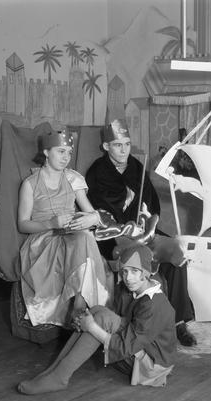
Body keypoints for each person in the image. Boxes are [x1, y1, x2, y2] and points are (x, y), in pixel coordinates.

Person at [85, 119, 197, 346]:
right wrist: (126, 212)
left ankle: (177, 322)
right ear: (106, 147)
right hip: (115, 236)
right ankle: (142, 324)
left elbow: (152, 203)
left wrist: (145, 215)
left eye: (127, 144)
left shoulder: (136, 167)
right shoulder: (97, 172)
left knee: (176, 254)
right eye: (118, 145)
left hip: (144, 230)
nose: (124, 149)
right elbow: (99, 211)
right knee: (141, 257)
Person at [18, 243, 177, 394]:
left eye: (135, 271)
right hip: (135, 352)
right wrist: (85, 322)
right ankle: (54, 372)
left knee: (100, 320)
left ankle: (59, 376)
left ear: (146, 273)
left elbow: (124, 347)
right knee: (97, 311)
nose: (128, 278)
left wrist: (92, 327)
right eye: (125, 271)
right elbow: (115, 321)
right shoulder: (128, 289)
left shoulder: (155, 305)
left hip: (151, 367)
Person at [17, 128, 109, 327]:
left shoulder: (73, 179)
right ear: (46, 152)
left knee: (84, 236)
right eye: (61, 151)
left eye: (69, 152)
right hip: (43, 239)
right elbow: (23, 224)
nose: (66, 157)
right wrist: (50, 223)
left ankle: (79, 302)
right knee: (83, 240)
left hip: (72, 235)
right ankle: (81, 304)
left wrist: (91, 219)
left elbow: (92, 213)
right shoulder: (30, 184)